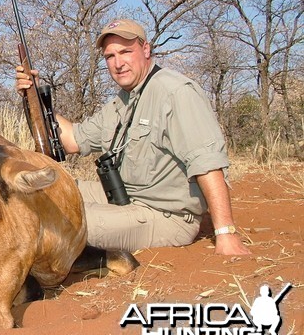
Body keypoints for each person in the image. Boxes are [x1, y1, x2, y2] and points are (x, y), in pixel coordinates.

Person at [15, 19, 250, 256]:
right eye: (110, 56)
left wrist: (226, 232)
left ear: (145, 49)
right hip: (123, 195)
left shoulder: (175, 92)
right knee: (45, 189)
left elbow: (208, 164)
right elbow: (73, 139)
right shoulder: (123, 101)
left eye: (125, 52)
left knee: (56, 221)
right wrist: (33, 97)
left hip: (163, 215)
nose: (118, 63)